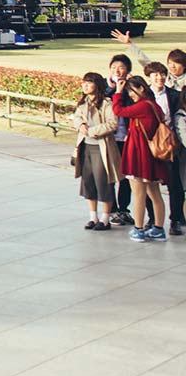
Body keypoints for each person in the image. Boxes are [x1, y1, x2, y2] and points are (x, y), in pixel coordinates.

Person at [110, 74, 168, 242]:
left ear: (142, 88)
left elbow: (118, 111)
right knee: (155, 193)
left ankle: (139, 229)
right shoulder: (154, 106)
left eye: (132, 91)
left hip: (139, 155)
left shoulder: (143, 106)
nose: (131, 95)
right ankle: (158, 229)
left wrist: (118, 92)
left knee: (139, 194)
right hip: (151, 156)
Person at [71, 72, 119, 231]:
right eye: (84, 82)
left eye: (89, 83)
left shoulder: (106, 104)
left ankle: (105, 218)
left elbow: (112, 124)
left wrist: (91, 131)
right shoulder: (83, 103)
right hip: (85, 145)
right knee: (88, 181)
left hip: (101, 146)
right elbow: (76, 117)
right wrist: (80, 126)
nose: (85, 86)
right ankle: (93, 216)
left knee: (103, 181)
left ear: (97, 85)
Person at [143, 62, 184, 234]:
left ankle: (175, 219)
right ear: (149, 77)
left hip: (168, 145)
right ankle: (153, 218)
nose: (159, 78)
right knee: (149, 184)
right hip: (148, 145)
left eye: (162, 74)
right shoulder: (143, 96)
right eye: (155, 75)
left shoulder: (174, 95)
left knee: (175, 184)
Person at [107, 52, 137, 226]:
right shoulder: (104, 87)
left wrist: (129, 87)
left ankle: (123, 209)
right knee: (111, 174)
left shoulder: (133, 87)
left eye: (121, 68)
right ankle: (112, 209)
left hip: (127, 138)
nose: (117, 71)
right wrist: (116, 89)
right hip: (110, 138)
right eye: (113, 68)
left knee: (126, 176)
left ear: (128, 70)